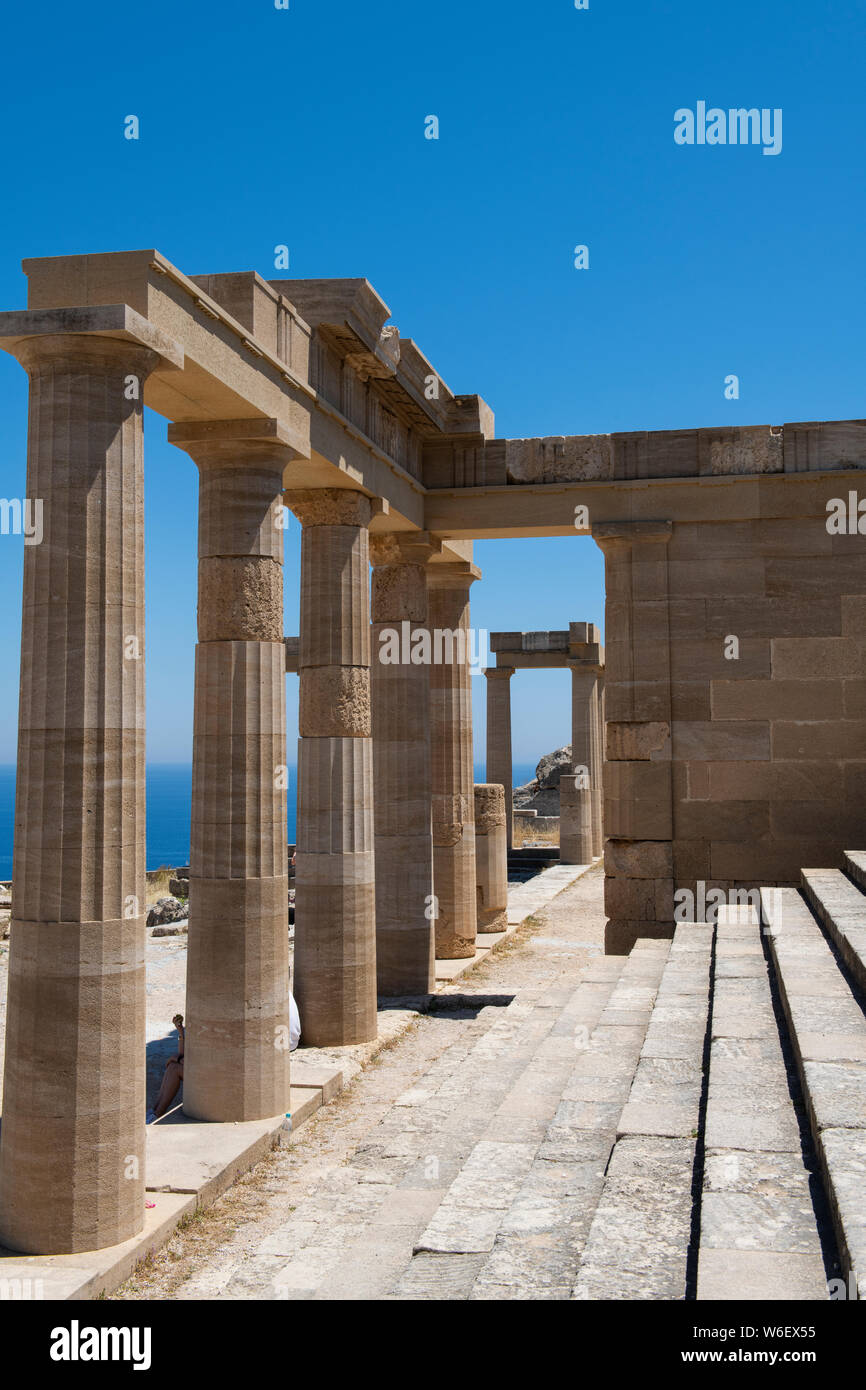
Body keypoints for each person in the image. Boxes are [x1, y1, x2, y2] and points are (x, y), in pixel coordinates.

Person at [147, 1014, 184, 1123]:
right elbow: (183, 1054)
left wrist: (176, 1059)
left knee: (175, 1068)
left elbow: (191, 1062)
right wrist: (181, 1032)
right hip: (194, 1069)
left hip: (207, 1073)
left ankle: (157, 1114)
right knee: (173, 1067)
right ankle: (154, 1111)